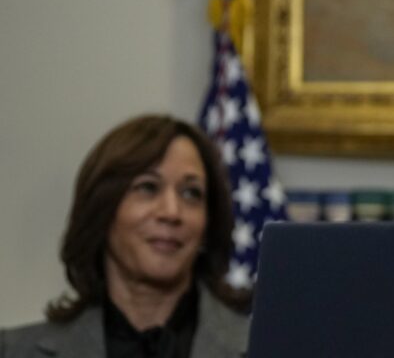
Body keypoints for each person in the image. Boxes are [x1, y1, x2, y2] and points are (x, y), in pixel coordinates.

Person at [0, 115, 250, 357]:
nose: (172, 212)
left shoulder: (269, 348)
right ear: (102, 209)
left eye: (191, 193)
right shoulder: (13, 352)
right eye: (148, 187)